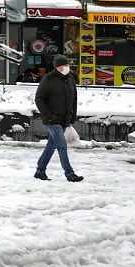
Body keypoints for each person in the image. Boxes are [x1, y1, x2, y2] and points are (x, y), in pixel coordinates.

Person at [34, 54, 83, 182]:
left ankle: (40, 170)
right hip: (52, 120)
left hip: (64, 119)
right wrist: (47, 115)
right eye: (63, 66)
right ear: (57, 67)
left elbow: (74, 100)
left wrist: (72, 117)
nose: (66, 68)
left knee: (51, 146)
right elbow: (39, 98)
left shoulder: (71, 79)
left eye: (67, 65)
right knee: (62, 145)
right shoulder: (48, 79)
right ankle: (69, 173)